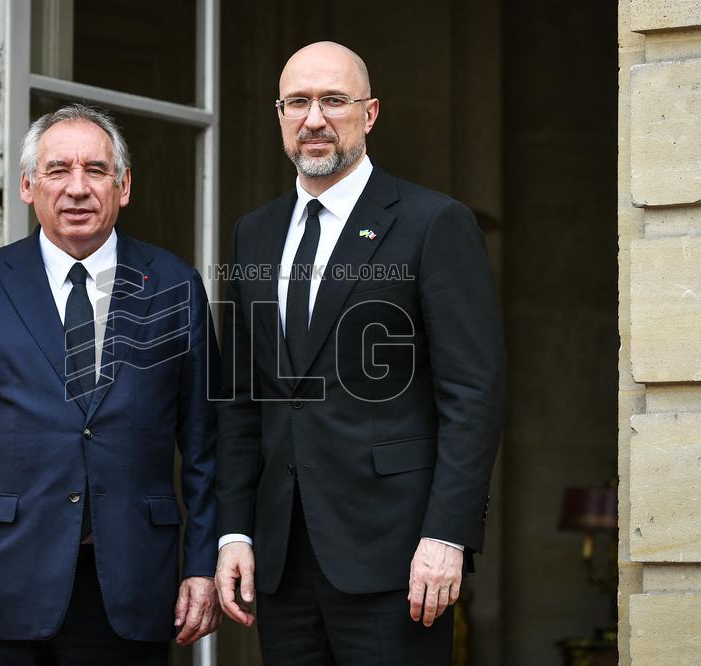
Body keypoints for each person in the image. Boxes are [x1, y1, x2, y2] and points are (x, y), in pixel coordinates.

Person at [215, 41, 506, 665]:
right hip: (282, 557)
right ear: (279, 115)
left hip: (398, 557)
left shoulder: (433, 222)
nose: (314, 119)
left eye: (333, 101)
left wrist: (448, 534)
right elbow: (241, 399)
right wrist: (234, 530)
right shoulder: (253, 233)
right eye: (297, 102)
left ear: (369, 113)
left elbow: (473, 396)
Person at [0, 104, 220, 665]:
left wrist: (203, 564)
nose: (77, 188)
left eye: (96, 170)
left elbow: (207, 446)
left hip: (131, 583)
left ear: (123, 186)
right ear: (27, 186)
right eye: (57, 170)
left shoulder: (175, 286)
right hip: (3, 583)